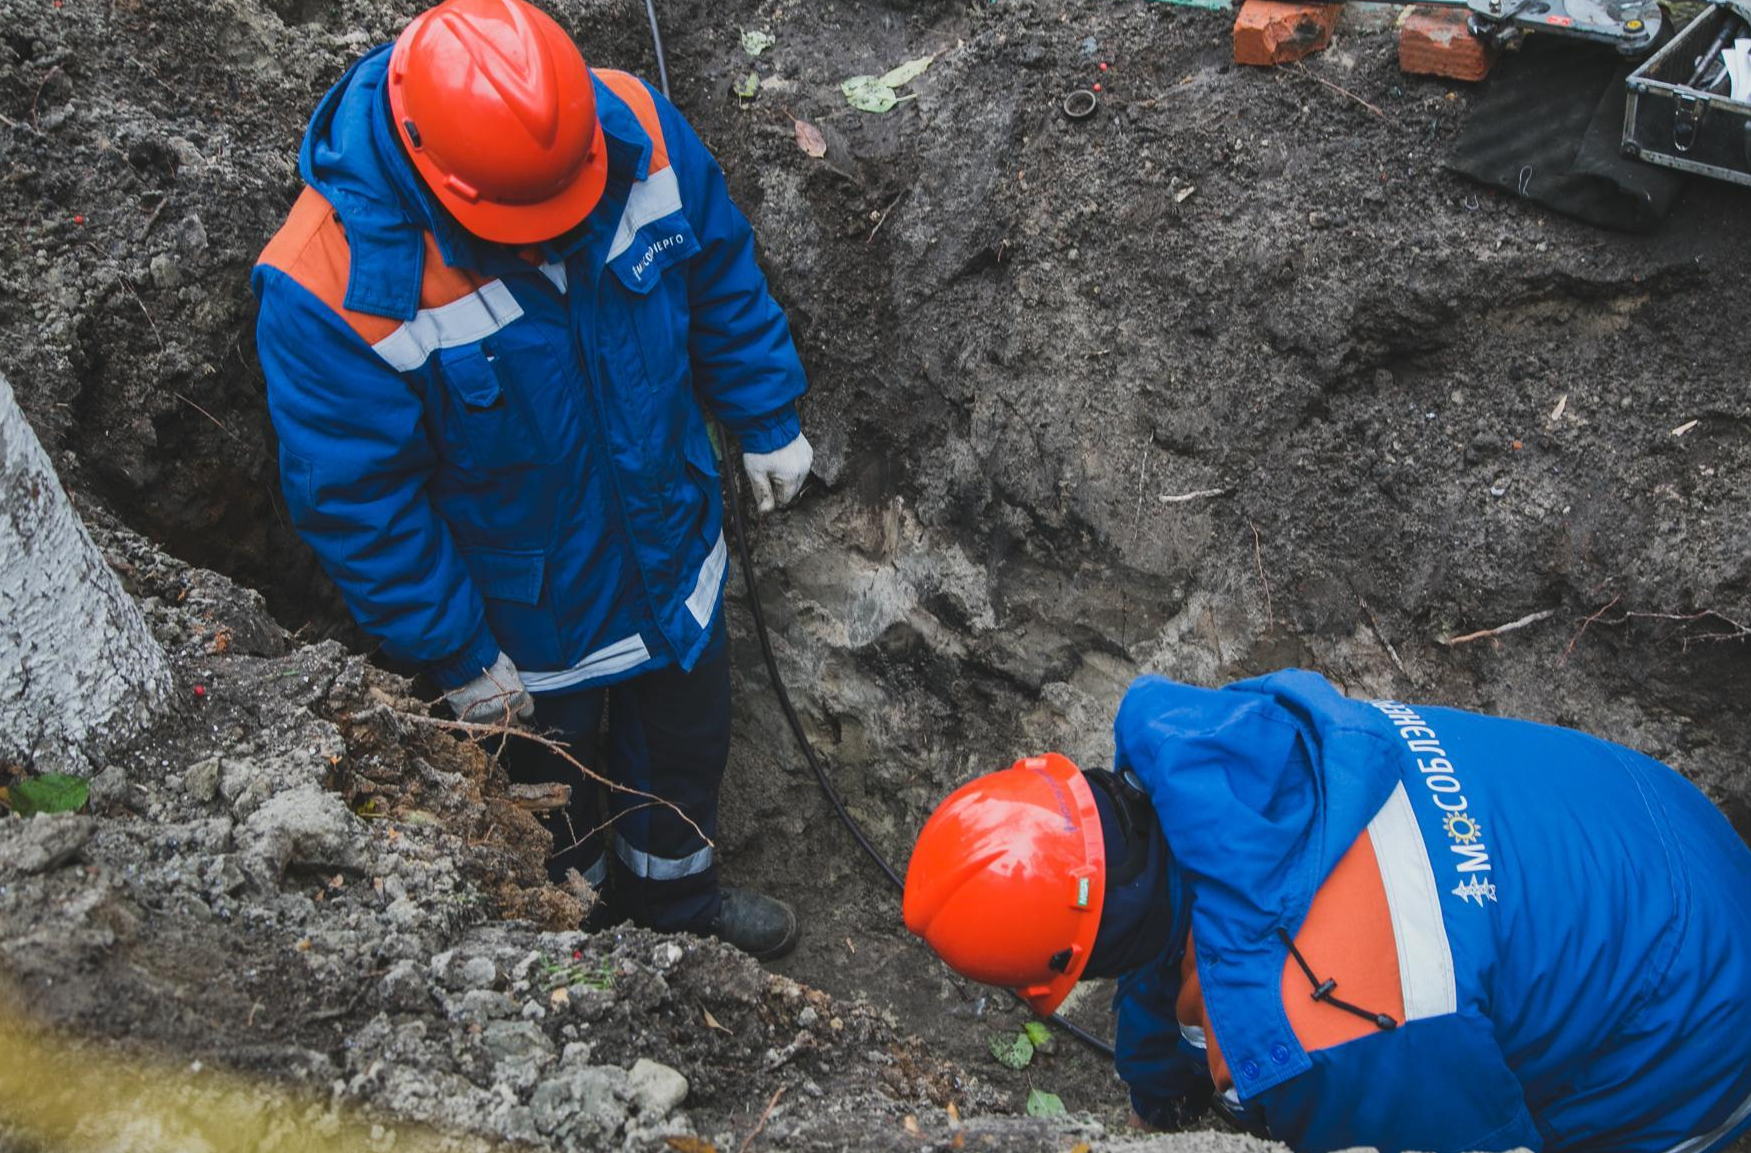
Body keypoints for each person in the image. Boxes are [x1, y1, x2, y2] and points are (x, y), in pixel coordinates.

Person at [253, 0, 811, 958]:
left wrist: (766, 415)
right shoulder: (331, 282)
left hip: (672, 560)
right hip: (525, 627)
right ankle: (583, 950)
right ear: (445, 178)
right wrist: (455, 651)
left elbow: (718, 272)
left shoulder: (632, 123)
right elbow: (358, 501)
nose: (563, 232)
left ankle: (676, 910)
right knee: (549, 806)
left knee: (682, 753)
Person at [904, 670, 1751, 1152]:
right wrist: (1154, 1107)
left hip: (1695, 1013)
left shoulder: (1339, 1031)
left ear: (1074, 962)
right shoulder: (1224, 762)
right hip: (1640, 821)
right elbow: (1166, 935)